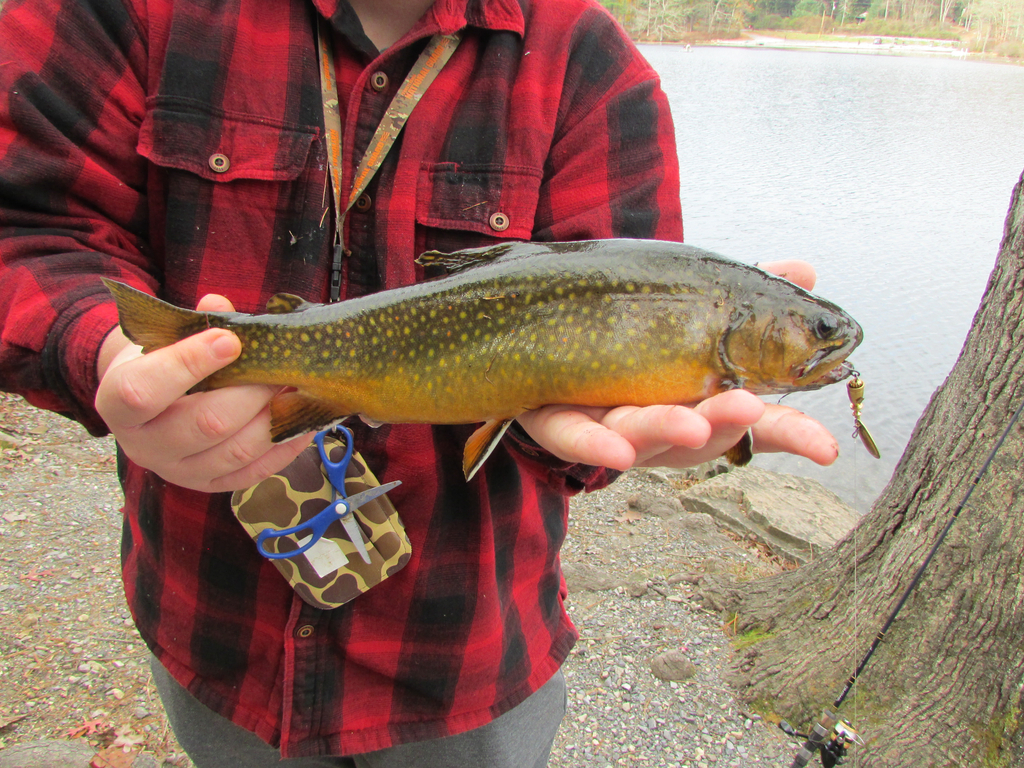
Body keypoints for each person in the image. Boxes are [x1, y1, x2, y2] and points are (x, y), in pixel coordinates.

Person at [0, 0, 838, 765]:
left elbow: (598, 422)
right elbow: (27, 226)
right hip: (213, 634)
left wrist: (620, 434)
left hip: (465, 661)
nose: (823, 348)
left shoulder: (591, 68)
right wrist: (104, 351)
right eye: (816, 336)